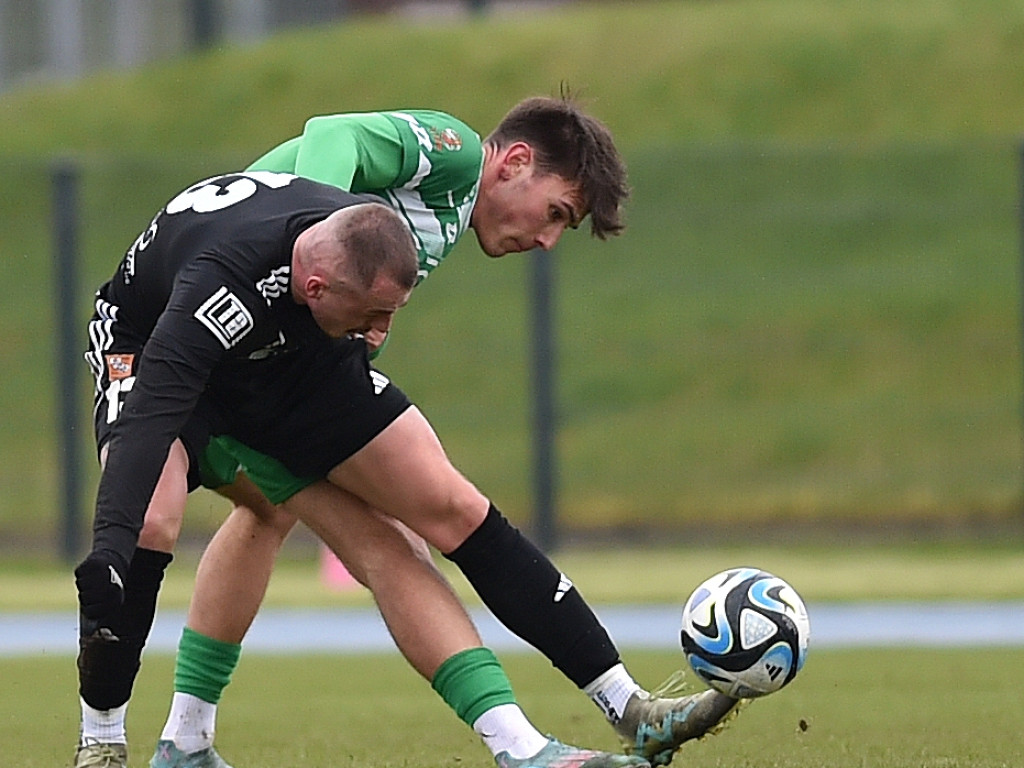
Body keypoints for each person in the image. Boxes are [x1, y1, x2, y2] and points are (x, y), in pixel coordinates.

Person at [73, 99, 739, 768]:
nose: (547, 241)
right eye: (558, 213)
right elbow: (331, 136)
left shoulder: (441, 222)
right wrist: (323, 224)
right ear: (515, 163)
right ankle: (533, 747)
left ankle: (622, 708)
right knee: (368, 534)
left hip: (286, 353)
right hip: (212, 338)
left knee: (408, 509)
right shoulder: (449, 156)